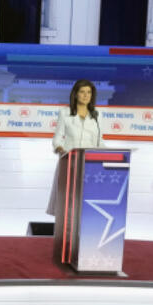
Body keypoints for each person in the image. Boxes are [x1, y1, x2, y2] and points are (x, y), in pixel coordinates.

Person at [47, 79, 105, 215]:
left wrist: (109, 152)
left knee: (85, 200)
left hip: (90, 163)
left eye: (89, 92)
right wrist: (60, 149)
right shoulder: (65, 113)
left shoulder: (97, 115)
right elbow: (57, 138)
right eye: (82, 92)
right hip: (69, 161)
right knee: (68, 201)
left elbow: (99, 141)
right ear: (76, 94)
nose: (86, 95)